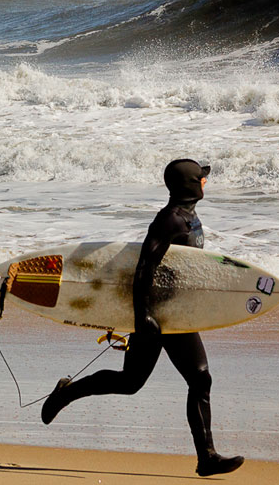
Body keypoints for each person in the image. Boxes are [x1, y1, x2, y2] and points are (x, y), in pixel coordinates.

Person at [39, 158, 244, 478]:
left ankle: (206, 457)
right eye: (201, 178)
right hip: (156, 314)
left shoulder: (189, 217)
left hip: (174, 312)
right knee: (168, 380)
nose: (206, 182)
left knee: (154, 381)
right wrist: (144, 315)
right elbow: (143, 269)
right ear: (190, 184)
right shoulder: (169, 221)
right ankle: (206, 457)